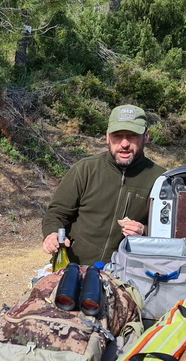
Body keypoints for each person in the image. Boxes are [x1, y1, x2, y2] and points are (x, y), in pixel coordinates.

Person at [42, 104, 165, 265]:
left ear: (146, 136)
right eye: (117, 135)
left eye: (132, 135)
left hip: (127, 272)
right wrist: (52, 234)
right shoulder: (85, 169)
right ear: (107, 137)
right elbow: (56, 214)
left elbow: (169, 232)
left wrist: (144, 231)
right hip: (74, 267)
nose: (124, 143)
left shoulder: (160, 179)